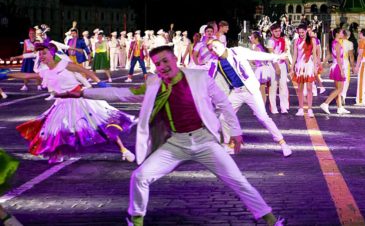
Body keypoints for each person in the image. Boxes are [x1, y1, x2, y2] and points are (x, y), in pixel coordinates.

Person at [63, 45, 285, 226]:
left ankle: (269, 219)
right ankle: (136, 218)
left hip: (205, 140)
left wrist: (235, 132)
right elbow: (122, 93)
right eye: (157, 64)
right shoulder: (154, 84)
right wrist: (83, 92)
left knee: (238, 180)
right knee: (140, 177)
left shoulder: (199, 77)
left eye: (165, 61)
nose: (162, 67)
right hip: (176, 144)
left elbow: (224, 104)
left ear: (175, 59)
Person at [18, 44, 135, 164]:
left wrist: (99, 82)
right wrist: (7, 74)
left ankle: (123, 150)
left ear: (52, 53)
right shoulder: (45, 72)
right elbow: (27, 75)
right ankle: (58, 153)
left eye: (44, 53)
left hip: (80, 99)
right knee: (56, 129)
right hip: (62, 103)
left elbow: (84, 71)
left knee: (102, 126)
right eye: (40, 54)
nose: (41, 56)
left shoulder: (64, 64)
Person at [205, 40, 292, 157]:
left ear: (223, 44)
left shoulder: (237, 51)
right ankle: (228, 145)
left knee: (263, 117)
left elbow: (256, 55)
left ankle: (282, 143)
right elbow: (206, 77)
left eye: (215, 47)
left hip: (250, 90)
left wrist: (276, 56)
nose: (214, 50)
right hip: (236, 92)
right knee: (223, 117)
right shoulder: (214, 62)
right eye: (211, 49)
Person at [319, 28, 350, 115]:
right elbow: (339, 59)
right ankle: (326, 103)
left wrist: (323, 63)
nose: (343, 33)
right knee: (340, 89)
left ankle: (340, 107)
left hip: (334, 67)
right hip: (338, 67)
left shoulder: (333, 43)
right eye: (341, 32)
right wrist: (342, 70)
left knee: (338, 89)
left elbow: (329, 55)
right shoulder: (338, 44)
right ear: (337, 34)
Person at [292, 22, 319, 117]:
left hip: (309, 65)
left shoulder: (312, 40)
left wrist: (316, 67)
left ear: (306, 31)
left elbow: (315, 55)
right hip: (299, 66)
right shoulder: (296, 41)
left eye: (303, 32)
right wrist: (292, 67)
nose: (301, 34)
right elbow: (295, 55)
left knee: (309, 88)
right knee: (300, 88)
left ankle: (310, 109)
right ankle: (300, 108)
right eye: (299, 32)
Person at [266, 23, 292, 114]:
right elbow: (272, 55)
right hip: (273, 65)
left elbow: (285, 54)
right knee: (273, 86)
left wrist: (288, 65)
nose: (278, 33)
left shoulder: (283, 40)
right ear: (272, 32)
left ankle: (283, 107)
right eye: (275, 31)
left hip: (282, 64)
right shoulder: (270, 41)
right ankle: (273, 107)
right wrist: (277, 67)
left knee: (283, 86)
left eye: (279, 31)